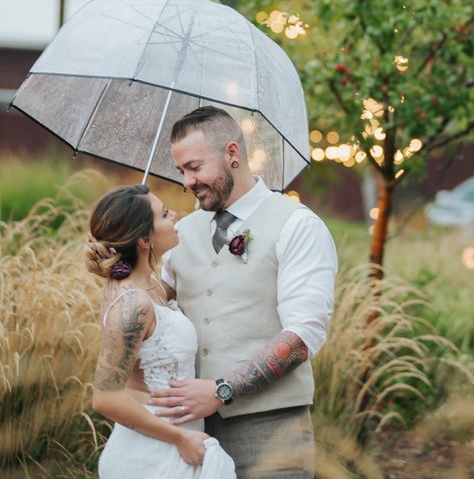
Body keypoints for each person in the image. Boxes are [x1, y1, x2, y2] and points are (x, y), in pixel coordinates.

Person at [149, 106, 338, 478]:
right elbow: (149, 311)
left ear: (232, 154)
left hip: (272, 430)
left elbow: (303, 336)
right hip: (188, 433)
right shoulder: (179, 233)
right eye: (181, 171)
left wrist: (221, 391)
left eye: (195, 167)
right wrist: (123, 249)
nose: (186, 181)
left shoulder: (298, 225)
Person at [85, 183, 236, 479]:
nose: (175, 214)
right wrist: (180, 438)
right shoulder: (132, 303)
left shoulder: (152, 286)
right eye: (165, 214)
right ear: (144, 239)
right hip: (153, 455)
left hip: (175, 444)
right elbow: (104, 398)